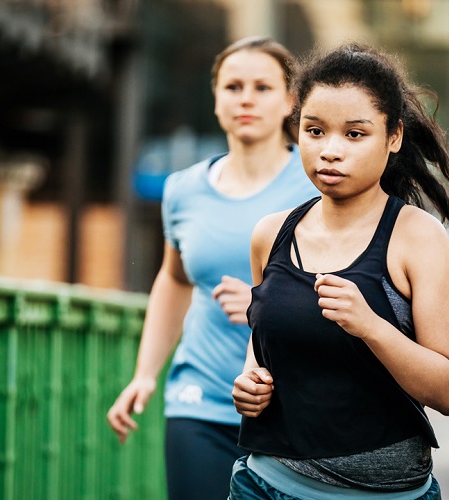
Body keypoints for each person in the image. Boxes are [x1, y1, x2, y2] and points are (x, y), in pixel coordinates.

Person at [229, 43, 449, 499]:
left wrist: (371, 327)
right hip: (264, 483)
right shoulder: (270, 234)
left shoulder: (418, 239)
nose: (331, 151)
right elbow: (264, 336)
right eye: (315, 131)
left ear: (394, 137)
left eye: (355, 134)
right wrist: (250, 380)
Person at [106, 36, 318, 500]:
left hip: (291, 408)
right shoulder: (182, 190)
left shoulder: (316, 187)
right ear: (216, 98)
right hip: (198, 400)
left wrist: (267, 304)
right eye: (232, 86)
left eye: (262, 87)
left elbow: (349, 286)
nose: (245, 98)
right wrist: (145, 374)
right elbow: (174, 280)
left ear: (290, 101)